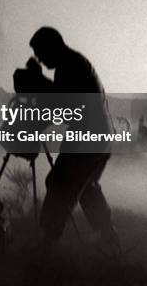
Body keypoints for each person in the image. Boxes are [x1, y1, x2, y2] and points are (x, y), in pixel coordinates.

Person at [27, 26, 119, 252]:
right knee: (87, 186)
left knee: (59, 183)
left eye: (40, 52)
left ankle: (48, 243)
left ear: (52, 46)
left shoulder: (70, 65)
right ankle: (108, 238)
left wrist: (38, 82)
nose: (39, 58)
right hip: (100, 136)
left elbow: (62, 105)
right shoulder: (73, 63)